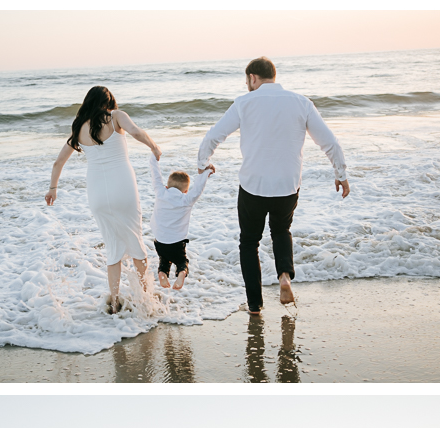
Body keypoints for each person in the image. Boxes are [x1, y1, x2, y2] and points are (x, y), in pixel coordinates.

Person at [197, 57, 350, 316]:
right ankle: (284, 278)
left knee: (249, 243)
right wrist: (341, 174)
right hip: (287, 186)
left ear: (253, 77)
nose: (247, 85)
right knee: (281, 231)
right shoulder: (301, 102)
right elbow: (330, 142)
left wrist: (203, 163)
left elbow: (214, 136)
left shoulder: (243, 103)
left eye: (247, 80)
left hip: (253, 186)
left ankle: (255, 305)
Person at [45, 87, 162, 313]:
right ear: (108, 102)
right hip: (123, 188)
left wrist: (53, 189)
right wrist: (154, 146)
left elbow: (58, 162)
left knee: (113, 249)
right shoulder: (116, 116)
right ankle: (147, 301)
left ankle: (116, 302)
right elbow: (136, 132)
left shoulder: (79, 127)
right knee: (136, 242)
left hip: (97, 194)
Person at [148, 155, 215, 290]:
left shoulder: (160, 192)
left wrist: (154, 159)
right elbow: (198, 189)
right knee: (182, 262)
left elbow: (156, 177)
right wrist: (206, 172)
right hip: (177, 243)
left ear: (167, 186)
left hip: (159, 241)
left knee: (164, 260)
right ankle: (181, 273)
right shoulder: (186, 200)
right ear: (185, 191)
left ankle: (162, 273)